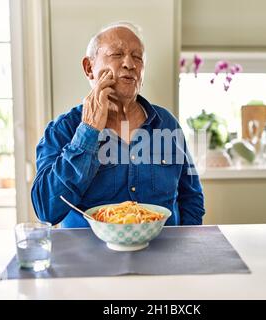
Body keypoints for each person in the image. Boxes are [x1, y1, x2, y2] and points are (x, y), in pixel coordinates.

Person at [31, 21, 205, 228]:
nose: (130, 64)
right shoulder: (63, 130)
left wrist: (186, 246)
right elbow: (46, 209)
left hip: (162, 255)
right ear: (89, 68)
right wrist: (88, 131)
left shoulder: (167, 124)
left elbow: (192, 196)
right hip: (90, 258)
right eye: (116, 54)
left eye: (137, 57)